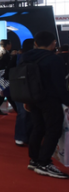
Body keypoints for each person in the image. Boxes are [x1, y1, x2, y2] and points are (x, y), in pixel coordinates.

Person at [21, 31, 69, 179]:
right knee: (53, 130)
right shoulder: (54, 59)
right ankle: (44, 163)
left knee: (38, 128)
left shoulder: (25, 58)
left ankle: (34, 160)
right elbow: (59, 84)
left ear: (35, 43)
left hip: (33, 99)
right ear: (53, 43)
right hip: (50, 100)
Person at [14, 38, 35, 147]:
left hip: (19, 88)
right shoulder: (25, 57)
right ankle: (21, 137)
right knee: (25, 113)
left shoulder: (19, 56)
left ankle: (24, 136)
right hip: (25, 88)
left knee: (26, 113)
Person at [0, 39, 17, 115]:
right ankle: (17, 109)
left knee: (2, 92)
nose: (11, 46)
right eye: (10, 44)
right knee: (6, 91)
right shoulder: (5, 53)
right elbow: (7, 65)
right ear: (7, 45)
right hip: (2, 75)